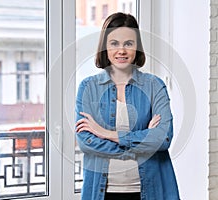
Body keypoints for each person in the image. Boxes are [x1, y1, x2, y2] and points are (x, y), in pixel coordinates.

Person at [75, 12, 180, 200]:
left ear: (137, 47)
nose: (121, 50)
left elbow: (163, 139)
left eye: (128, 43)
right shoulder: (88, 87)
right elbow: (86, 142)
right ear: (105, 47)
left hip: (150, 190)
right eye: (114, 43)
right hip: (102, 192)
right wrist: (144, 140)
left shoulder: (154, 86)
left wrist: (108, 134)